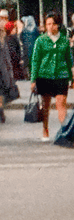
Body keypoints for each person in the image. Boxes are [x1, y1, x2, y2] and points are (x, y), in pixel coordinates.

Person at [30, 11, 74, 142]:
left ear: (58, 25)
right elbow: (35, 60)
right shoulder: (40, 40)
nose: (49, 26)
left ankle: (65, 132)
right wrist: (33, 79)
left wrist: (71, 77)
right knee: (46, 105)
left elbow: (69, 60)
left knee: (61, 104)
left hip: (61, 76)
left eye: (52, 24)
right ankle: (45, 129)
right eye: (47, 24)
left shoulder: (64, 41)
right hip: (44, 76)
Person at [20, 15, 39, 80]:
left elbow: (21, 38)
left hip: (26, 48)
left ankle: (28, 75)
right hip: (34, 48)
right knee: (34, 61)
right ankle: (33, 74)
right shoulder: (35, 30)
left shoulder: (24, 30)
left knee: (27, 62)